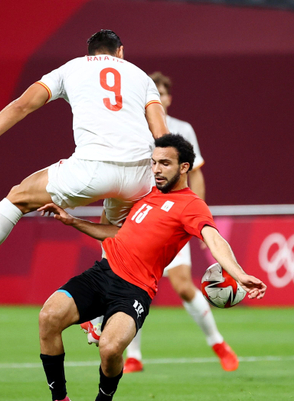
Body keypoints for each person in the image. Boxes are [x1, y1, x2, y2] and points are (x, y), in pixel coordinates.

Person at [36, 133, 266, 401]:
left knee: (110, 347)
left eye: (165, 163)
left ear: (184, 168)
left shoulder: (191, 206)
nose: (156, 169)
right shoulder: (146, 193)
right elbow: (115, 234)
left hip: (135, 290)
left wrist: (237, 272)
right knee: (48, 317)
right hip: (103, 273)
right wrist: (72, 220)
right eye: (154, 162)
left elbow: (213, 238)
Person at [0, 29, 168, 300]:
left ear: (88, 54)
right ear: (120, 52)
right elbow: (161, 134)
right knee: (112, 231)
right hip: (140, 173)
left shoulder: (71, 68)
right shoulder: (142, 77)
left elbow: (21, 106)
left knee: (17, 197)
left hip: (92, 169)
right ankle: (99, 321)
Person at [85, 72, 239, 374]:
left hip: (175, 218)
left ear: (169, 98)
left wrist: (197, 215)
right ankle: (134, 356)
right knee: (128, 284)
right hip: (140, 218)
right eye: (155, 94)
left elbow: (196, 174)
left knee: (182, 285)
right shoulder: (133, 128)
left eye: (164, 93)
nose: (160, 99)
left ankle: (218, 342)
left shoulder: (182, 130)